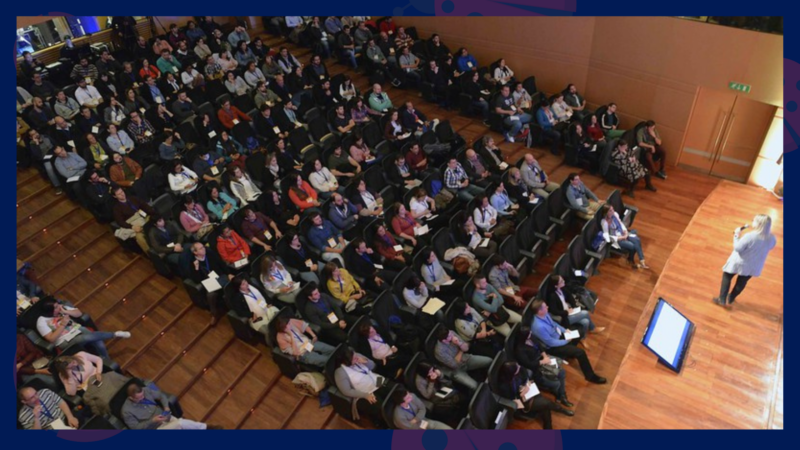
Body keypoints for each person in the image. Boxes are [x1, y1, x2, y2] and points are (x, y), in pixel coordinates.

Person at [530, 300, 607, 384]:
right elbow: (551, 342)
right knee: (580, 352)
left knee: (580, 331)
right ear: (540, 311)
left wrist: (565, 330)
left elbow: (554, 324)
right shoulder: (538, 327)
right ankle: (590, 376)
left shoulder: (544, 314)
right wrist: (565, 341)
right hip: (553, 346)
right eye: (545, 306)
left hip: (558, 336)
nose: (548, 307)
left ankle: (569, 353)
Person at [714, 214, 777, 307]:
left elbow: (738, 248)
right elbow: (769, 247)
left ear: (759, 224)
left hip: (740, 262)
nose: (752, 222)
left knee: (727, 276)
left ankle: (722, 299)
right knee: (742, 282)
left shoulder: (750, 236)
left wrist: (736, 235)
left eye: (754, 220)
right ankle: (731, 298)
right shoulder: (772, 238)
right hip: (754, 266)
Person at [496, 361, 568, 429]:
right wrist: (521, 394)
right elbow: (511, 398)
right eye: (517, 368)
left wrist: (526, 386)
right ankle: (560, 410)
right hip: (521, 400)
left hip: (528, 390)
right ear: (511, 374)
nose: (519, 367)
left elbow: (526, 377)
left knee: (544, 405)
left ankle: (548, 425)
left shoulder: (519, 369)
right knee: (546, 403)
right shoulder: (504, 386)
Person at [515, 325, 572, 407]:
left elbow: (539, 345)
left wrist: (545, 356)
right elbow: (528, 364)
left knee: (562, 372)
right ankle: (559, 395)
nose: (531, 334)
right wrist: (542, 361)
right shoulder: (519, 350)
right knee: (556, 383)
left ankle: (561, 396)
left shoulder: (530, 336)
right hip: (536, 367)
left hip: (542, 359)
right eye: (529, 333)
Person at [122, 383, 220, 429]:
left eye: (143, 395)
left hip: (166, 418)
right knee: (180, 423)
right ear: (131, 398)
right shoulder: (126, 411)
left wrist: (166, 407)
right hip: (155, 429)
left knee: (184, 427)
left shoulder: (146, 390)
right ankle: (206, 428)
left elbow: (161, 396)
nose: (143, 398)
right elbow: (136, 429)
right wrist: (152, 421)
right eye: (139, 398)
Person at [433, 326, 492, 391]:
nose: (452, 336)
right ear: (444, 340)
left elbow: (466, 348)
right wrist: (461, 350)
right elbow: (454, 364)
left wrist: (459, 343)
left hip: (466, 359)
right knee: (475, 386)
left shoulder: (451, 333)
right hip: (456, 370)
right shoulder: (439, 351)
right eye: (449, 336)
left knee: (489, 361)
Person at [547, 274, 605, 339]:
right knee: (585, 313)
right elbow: (554, 311)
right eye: (561, 281)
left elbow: (570, 297)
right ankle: (593, 328)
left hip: (570, 311)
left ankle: (582, 339)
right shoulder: (552, 296)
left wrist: (573, 306)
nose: (563, 281)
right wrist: (566, 312)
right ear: (556, 286)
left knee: (586, 322)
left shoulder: (562, 288)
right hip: (565, 317)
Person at [599, 204, 648, 269]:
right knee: (633, 246)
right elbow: (607, 237)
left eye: (613, 209)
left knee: (637, 240)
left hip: (623, 233)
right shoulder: (604, 222)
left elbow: (620, 224)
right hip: (617, 239)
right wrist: (621, 238)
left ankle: (641, 261)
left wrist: (625, 231)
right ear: (606, 213)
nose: (613, 211)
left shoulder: (615, 214)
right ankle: (630, 259)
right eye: (610, 211)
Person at [111, 186, 154, 252]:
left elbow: (144, 205)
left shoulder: (132, 198)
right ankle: (151, 253)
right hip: (133, 223)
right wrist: (132, 227)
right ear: (115, 196)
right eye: (119, 194)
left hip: (143, 217)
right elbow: (120, 222)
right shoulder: (117, 208)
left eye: (122, 192)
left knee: (156, 222)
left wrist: (152, 212)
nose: (122, 194)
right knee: (140, 237)